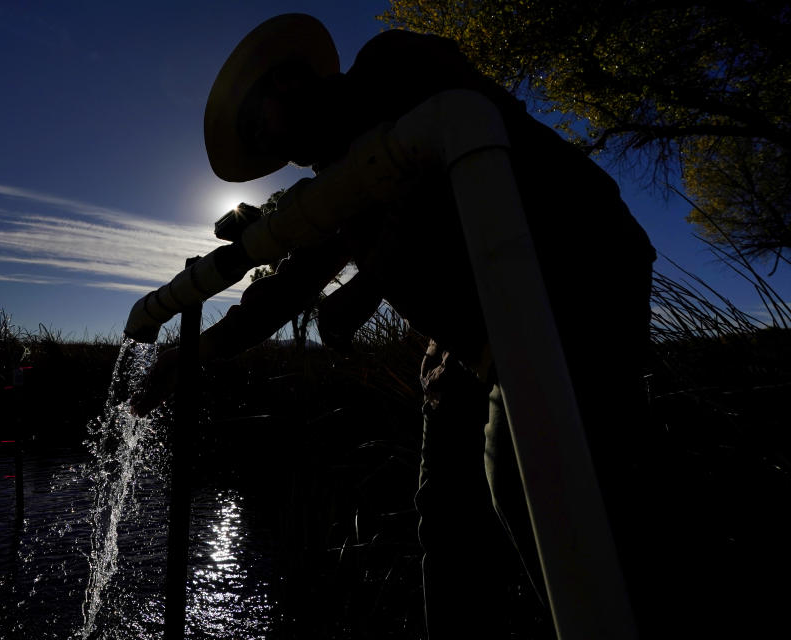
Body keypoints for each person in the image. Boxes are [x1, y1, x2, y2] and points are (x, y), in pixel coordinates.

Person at [131, 13, 660, 638]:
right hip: (468, 347)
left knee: (534, 487)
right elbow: (287, 289)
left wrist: (367, 284)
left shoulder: (392, 66)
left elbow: (456, 123)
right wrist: (190, 354)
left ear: (288, 83)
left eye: (257, 126)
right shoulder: (334, 188)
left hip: (574, 279)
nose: (270, 148)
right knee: (444, 519)